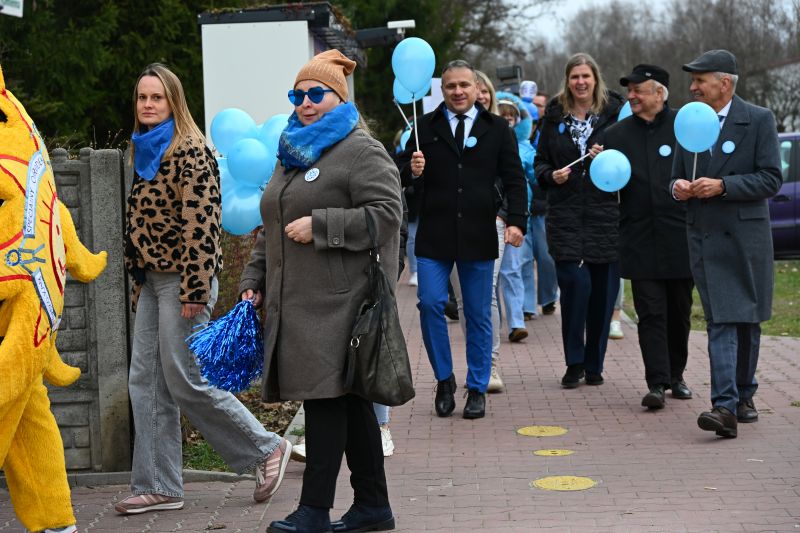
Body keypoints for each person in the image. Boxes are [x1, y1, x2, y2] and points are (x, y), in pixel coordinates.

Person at [239, 50, 402, 532]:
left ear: (340, 98)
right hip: (296, 301)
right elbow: (273, 225)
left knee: (325, 401)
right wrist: (253, 282)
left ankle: (313, 510)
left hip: (341, 301)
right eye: (298, 95)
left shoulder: (360, 150)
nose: (305, 103)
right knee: (350, 403)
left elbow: (387, 215)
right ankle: (373, 506)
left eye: (316, 94)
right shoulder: (291, 151)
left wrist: (322, 225)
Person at [120, 63, 291, 515]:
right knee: (145, 382)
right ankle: (159, 484)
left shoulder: (191, 151)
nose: (148, 104)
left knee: (186, 379)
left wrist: (194, 290)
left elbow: (201, 227)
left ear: (173, 101)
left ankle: (265, 448)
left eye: (157, 97)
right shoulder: (144, 149)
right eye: (142, 97)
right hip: (152, 282)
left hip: (184, 282)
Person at [398, 60, 527, 419]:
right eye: (451, 86)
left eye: (464, 85)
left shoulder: (497, 128)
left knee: (478, 312)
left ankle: (477, 386)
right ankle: (444, 380)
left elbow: (514, 179)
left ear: (476, 88)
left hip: (478, 233)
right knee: (430, 304)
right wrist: (411, 170)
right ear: (442, 90)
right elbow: (399, 173)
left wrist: (517, 221)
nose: (457, 91)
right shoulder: (424, 127)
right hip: (434, 235)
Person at [671, 50, 782, 438]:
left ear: (724, 83)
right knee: (720, 318)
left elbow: (771, 178)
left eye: (700, 80)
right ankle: (724, 406)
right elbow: (675, 176)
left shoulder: (759, 119)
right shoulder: (688, 121)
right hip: (705, 238)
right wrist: (677, 187)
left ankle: (744, 395)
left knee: (747, 320)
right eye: (692, 80)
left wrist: (723, 186)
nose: (693, 87)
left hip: (746, 239)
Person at [603, 64, 694, 410]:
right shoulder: (615, 135)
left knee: (679, 312)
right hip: (639, 236)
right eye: (629, 90)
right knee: (650, 312)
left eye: (638, 90)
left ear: (659, 92)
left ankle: (677, 375)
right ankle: (656, 382)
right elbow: (606, 186)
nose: (631, 96)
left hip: (680, 235)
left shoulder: (685, 127)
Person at [534, 53, 624, 388]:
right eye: (575, 77)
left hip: (606, 216)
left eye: (586, 76)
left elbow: (629, 160)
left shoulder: (615, 115)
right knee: (575, 288)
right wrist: (550, 175)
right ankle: (574, 362)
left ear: (595, 79)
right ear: (567, 81)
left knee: (602, 295)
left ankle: (594, 363)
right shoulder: (554, 115)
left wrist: (609, 157)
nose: (581, 82)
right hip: (566, 215)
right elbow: (540, 162)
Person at [449, 70, 508, 392]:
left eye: (484, 90)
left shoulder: (499, 129)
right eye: (477, 89)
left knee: (486, 297)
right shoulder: (449, 127)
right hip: (454, 227)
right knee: (463, 301)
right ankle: (477, 361)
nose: (480, 95)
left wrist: (505, 216)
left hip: (491, 223)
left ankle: (490, 363)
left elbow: (514, 177)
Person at [496, 91, 535, 343]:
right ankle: (494, 321)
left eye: (511, 117)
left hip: (517, 215)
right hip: (494, 215)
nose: (507, 120)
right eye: (503, 116)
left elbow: (529, 178)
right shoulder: (490, 142)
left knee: (513, 269)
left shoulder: (526, 148)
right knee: (491, 275)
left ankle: (517, 322)